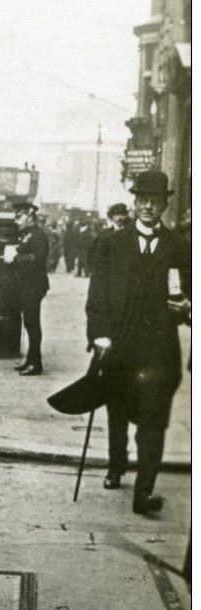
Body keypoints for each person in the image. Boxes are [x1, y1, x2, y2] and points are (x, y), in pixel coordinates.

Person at [86, 170, 191, 515]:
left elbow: (191, 293)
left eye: (155, 201)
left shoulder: (180, 247)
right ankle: (117, 466)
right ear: (134, 201)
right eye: (142, 200)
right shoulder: (112, 244)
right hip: (120, 345)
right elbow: (97, 294)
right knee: (118, 411)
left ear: (164, 204)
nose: (148, 206)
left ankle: (144, 491)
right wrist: (99, 334)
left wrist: (188, 306)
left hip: (160, 351)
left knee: (154, 421)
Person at [11, 202, 49, 376]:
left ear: (29, 216)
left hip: (34, 286)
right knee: (29, 323)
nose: (16, 220)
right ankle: (31, 359)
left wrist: (16, 258)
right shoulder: (27, 234)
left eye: (19, 216)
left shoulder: (38, 235)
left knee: (32, 324)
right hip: (27, 285)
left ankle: (36, 363)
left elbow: (38, 258)